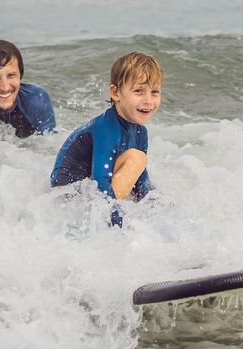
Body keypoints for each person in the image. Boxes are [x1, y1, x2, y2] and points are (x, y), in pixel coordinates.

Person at [50, 52, 162, 226]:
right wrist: (118, 224)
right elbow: (100, 179)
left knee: (141, 170)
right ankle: (108, 226)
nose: (148, 100)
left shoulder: (141, 133)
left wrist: (158, 207)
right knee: (136, 157)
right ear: (115, 92)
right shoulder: (105, 128)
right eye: (139, 91)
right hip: (68, 198)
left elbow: (141, 181)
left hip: (88, 193)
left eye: (154, 92)